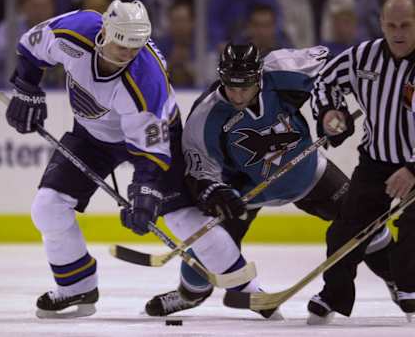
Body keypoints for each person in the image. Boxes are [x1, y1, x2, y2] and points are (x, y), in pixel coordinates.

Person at [4, 0, 267, 320]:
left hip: (157, 139)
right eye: (122, 46)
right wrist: (26, 89)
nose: (128, 55)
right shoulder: (74, 31)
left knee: (182, 218)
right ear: (105, 32)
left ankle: (249, 291)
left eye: (135, 47)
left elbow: (150, 153)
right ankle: (77, 286)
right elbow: (30, 48)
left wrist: (144, 193)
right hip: (90, 136)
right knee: (47, 206)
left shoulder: (146, 80)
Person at [144, 43, 396, 319]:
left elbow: (335, 71)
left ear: (260, 75)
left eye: (245, 86)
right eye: (231, 86)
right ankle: (188, 295)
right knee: (211, 243)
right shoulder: (206, 116)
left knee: (364, 222)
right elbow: (200, 171)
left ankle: (398, 280)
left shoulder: (285, 69)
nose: (237, 95)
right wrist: (216, 192)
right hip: (247, 191)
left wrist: (330, 111)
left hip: (308, 172)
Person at [308, 0, 415, 324]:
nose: (397, 32)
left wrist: (413, 169)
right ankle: (334, 294)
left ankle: (410, 286)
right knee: (344, 232)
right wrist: (330, 113)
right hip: (376, 162)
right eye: (391, 25)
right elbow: (325, 82)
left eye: (406, 25)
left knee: (411, 236)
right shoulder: (363, 56)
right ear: (381, 24)